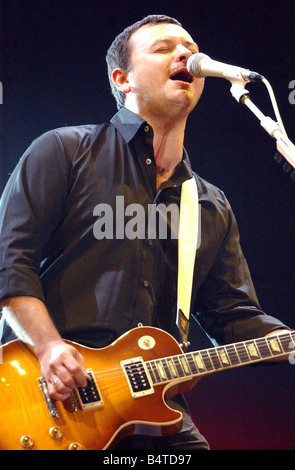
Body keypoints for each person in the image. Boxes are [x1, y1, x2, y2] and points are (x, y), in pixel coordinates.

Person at [0, 14, 291, 450]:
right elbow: (10, 260)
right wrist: (47, 347)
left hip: (156, 413)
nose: (185, 55)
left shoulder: (209, 204)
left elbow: (233, 315)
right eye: (163, 48)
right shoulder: (63, 151)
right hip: (51, 393)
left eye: (191, 49)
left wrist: (288, 345)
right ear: (122, 79)